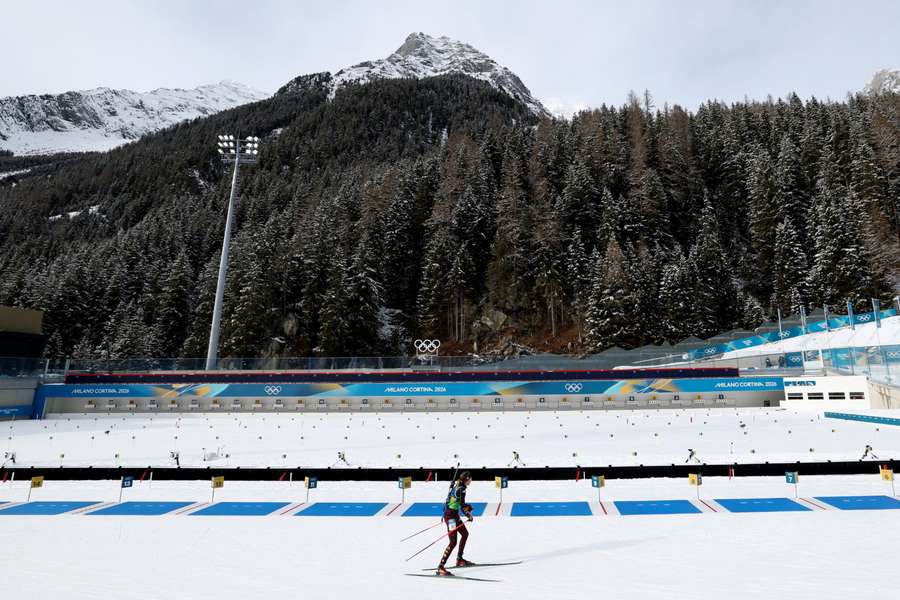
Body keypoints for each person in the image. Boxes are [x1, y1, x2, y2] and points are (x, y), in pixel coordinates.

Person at [437, 471, 474, 576]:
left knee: (465, 534)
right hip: (450, 517)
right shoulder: (461, 489)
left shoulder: (458, 485)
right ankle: (440, 567)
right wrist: (469, 515)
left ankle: (459, 559)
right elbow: (462, 505)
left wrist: (467, 509)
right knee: (453, 542)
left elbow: (459, 503)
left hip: (454, 515)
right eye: (470, 479)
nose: (471, 481)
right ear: (467, 479)